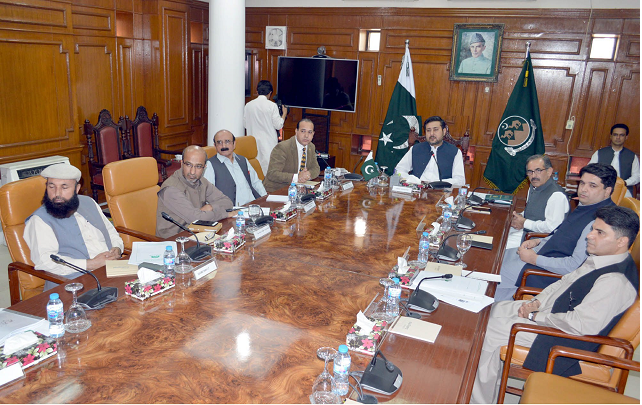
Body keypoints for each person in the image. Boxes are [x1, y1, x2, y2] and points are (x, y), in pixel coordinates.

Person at [471, 205, 639, 404]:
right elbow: (563, 282)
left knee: (487, 331)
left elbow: (581, 325)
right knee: (490, 309)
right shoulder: (600, 258)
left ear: (622, 241)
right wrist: (536, 302)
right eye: (593, 228)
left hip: (563, 339)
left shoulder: (615, 281)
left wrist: (535, 316)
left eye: (599, 232)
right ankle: (491, 382)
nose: (590, 236)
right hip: (551, 316)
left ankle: (478, 400)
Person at [494, 163, 616, 302]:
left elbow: (573, 266)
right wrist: (538, 241)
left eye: (592, 186)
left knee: (493, 271)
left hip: (545, 272)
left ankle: (484, 313)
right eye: (582, 183)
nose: (583, 189)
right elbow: (560, 232)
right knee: (497, 256)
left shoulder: (599, 222)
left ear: (607, 191)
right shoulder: (586, 205)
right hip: (541, 254)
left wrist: (534, 259)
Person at [24, 163, 124, 289]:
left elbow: (110, 230)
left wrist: (117, 248)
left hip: (111, 271)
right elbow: (45, 262)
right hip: (72, 283)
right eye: (52, 187)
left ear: (77, 189)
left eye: (64, 187)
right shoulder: (39, 220)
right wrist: (90, 264)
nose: (57, 194)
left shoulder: (89, 202)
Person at [156, 145, 234, 238]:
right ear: (181, 163)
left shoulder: (201, 181)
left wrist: (210, 206)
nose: (192, 172)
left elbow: (227, 202)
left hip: (197, 234)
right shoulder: (171, 189)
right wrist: (225, 214)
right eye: (188, 164)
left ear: (204, 167)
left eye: (198, 166)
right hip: (174, 241)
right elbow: (197, 219)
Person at [506, 155, 569, 249]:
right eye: (530, 172)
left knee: (497, 246)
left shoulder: (556, 195)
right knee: (495, 234)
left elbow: (551, 227)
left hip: (537, 239)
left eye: (538, 170)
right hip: (525, 230)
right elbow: (532, 211)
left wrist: (524, 223)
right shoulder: (534, 187)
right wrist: (517, 218)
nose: (534, 176)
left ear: (549, 171)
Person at [394, 116, 466, 187]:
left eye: (435, 130)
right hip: (417, 190)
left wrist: (439, 183)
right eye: (428, 130)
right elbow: (399, 170)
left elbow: (460, 180)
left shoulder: (455, 152)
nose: (431, 134)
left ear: (444, 131)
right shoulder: (415, 149)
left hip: (441, 192)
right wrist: (410, 179)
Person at [203, 129, 267, 206]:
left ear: (234, 144)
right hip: (233, 210)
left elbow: (256, 182)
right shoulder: (210, 165)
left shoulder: (243, 160)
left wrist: (265, 199)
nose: (224, 146)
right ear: (215, 146)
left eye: (227, 141)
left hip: (253, 205)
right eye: (219, 142)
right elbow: (208, 194)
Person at [263, 118, 321, 193]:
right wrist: (297, 177)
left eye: (310, 132)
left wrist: (307, 174)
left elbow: (316, 168)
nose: (306, 135)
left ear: (313, 134)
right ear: (296, 131)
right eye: (303, 131)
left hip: (298, 190)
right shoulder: (283, 148)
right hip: (276, 191)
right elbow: (272, 174)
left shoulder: (311, 147)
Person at [244, 80, 288, 175]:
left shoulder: (248, 105)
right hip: (268, 144)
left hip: (252, 143)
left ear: (257, 91)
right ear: (270, 93)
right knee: (268, 172)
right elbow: (278, 125)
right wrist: (284, 114)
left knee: (254, 171)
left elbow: (245, 125)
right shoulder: (272, 106)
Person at [589, 123, 639, 196]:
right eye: (615, 135)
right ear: (611, 136)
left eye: (621, 135)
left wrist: (624, 182)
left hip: (623, 190)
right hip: (601, 188)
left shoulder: (632, 156)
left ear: (626, 137)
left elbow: (637, 176)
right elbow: (590, 171)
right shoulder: (599, 153)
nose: (618, 137)